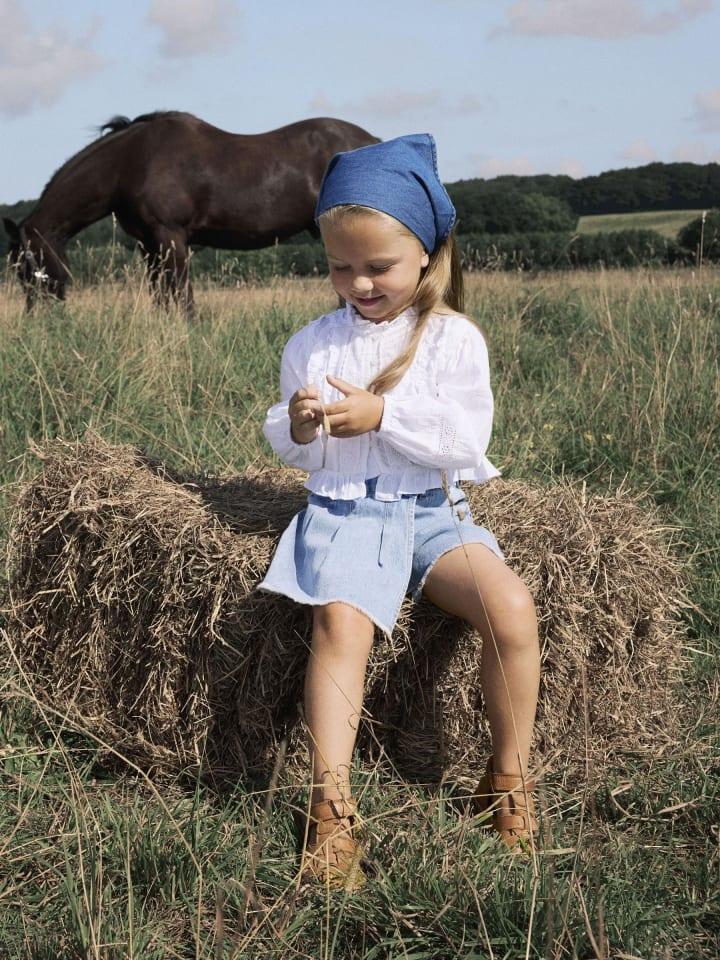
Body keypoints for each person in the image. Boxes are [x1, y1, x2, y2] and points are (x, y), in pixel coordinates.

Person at [260, 134, 540, 890]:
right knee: (341, 624)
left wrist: (383, 415)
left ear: (425, 253)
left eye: (377, 266)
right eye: (339, 266)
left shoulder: (452, 339)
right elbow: (290, 445)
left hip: (434, 512)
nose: (357, 283)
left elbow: (466, 441)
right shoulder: (313, 345)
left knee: (511, 608)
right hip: (346, 512)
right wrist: (302, 426)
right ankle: (329, 805)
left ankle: (507, 780)